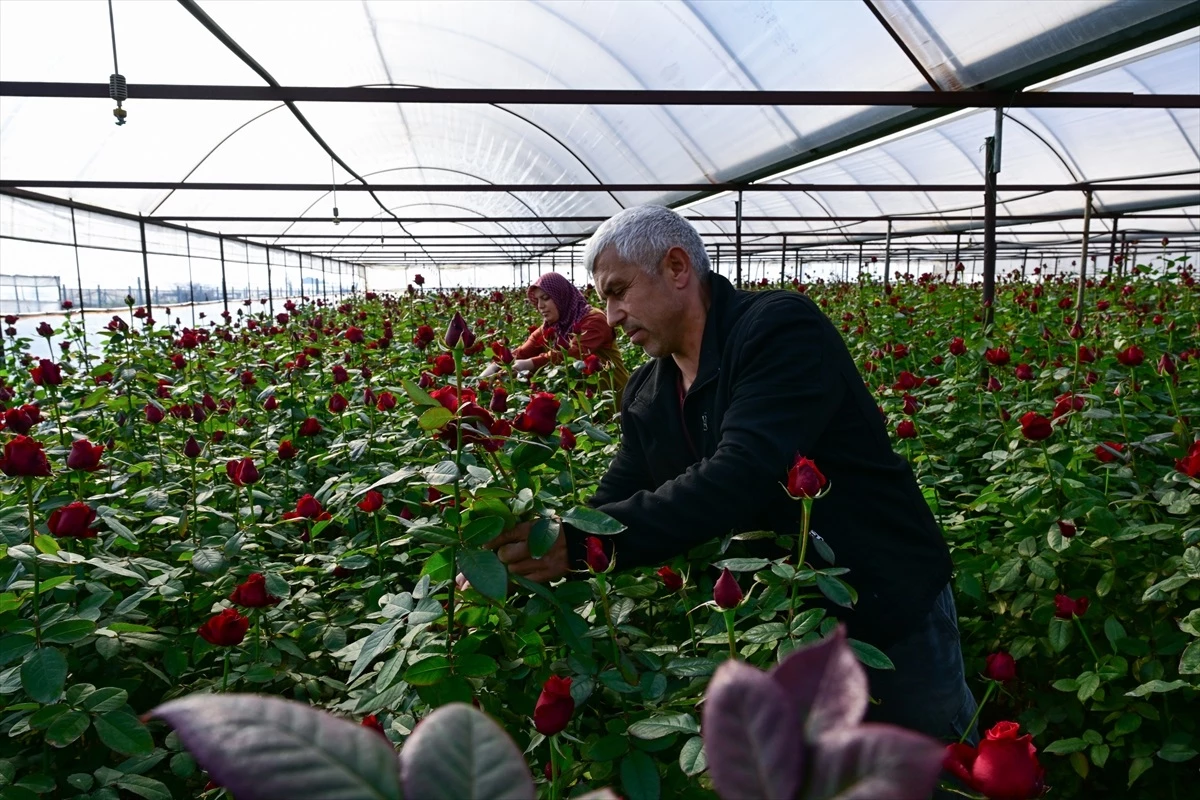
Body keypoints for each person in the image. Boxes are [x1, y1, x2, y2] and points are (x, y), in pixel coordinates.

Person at [483, 205, 976, 746]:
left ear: (676, 268)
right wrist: (536, 543)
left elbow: (742, 474)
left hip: (885, 602)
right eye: (603, 297)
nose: (613, 315)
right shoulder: (650, 391)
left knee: (933, 759)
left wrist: (579, 542)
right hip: (780, 625)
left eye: (619, 290)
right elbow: (616, 499)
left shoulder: (778, 330)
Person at [482, 272, 629, 404]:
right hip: (579, 404)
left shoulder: (594, 320)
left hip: (612, 399)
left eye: (545, 298)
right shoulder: (552, 326)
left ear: (561, 296)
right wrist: (493, 368)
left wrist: (530, 364)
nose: (540, 306)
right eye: (537, 300)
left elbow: (574, 353)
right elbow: (523, 352)